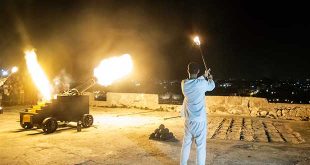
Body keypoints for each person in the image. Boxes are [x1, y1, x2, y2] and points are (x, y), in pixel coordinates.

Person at [180, 62, 215, 165]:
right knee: (200, 147)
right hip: (200, 121)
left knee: (186, 144)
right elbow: (212, 86)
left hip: (188, 120)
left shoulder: (184, 83)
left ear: (188, 70)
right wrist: (210, 78)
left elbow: (195, 81)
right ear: (198, 71)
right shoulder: (202, 84)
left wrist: (204, 75)